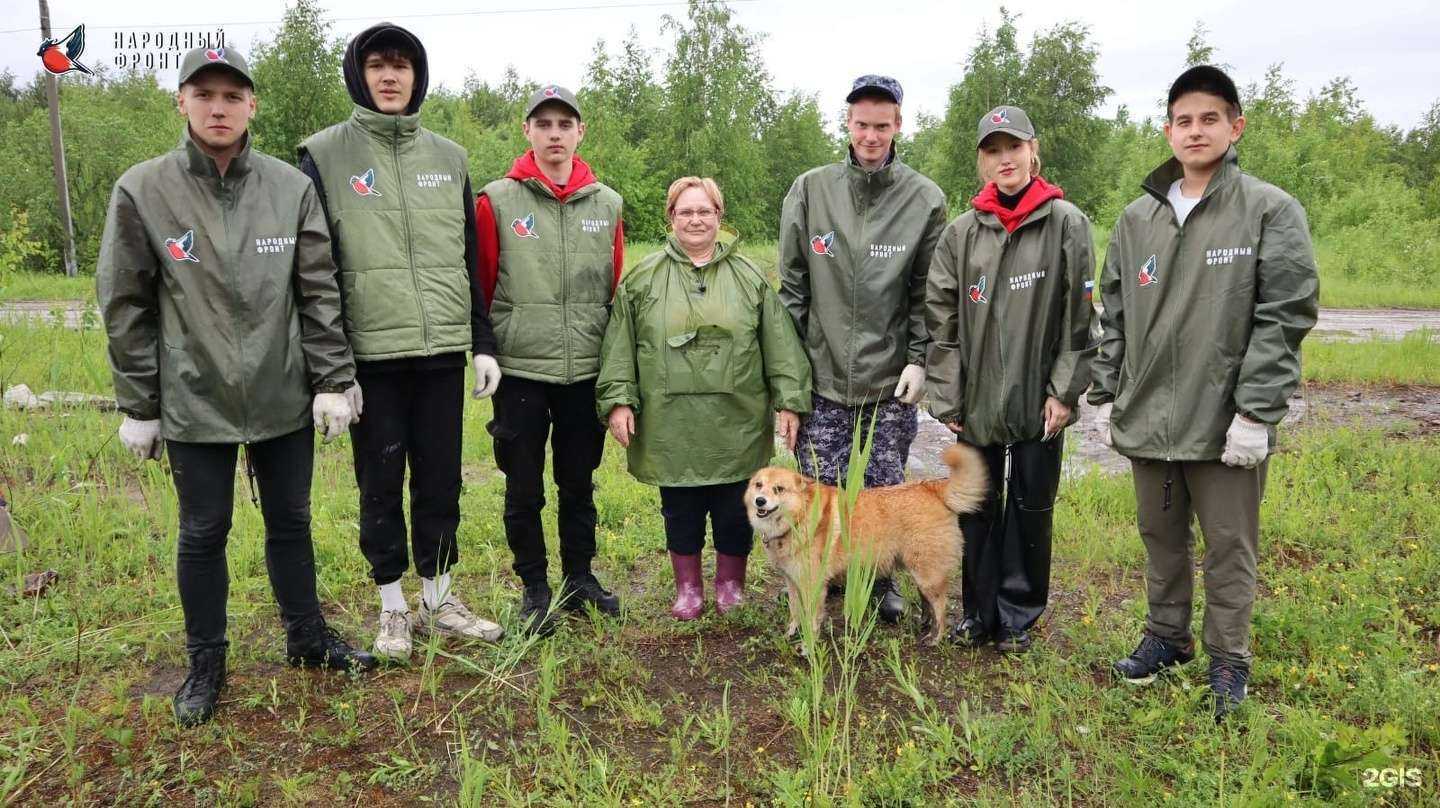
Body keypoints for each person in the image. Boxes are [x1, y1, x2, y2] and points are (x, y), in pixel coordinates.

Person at [97, 46, 377, 728]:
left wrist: (333, 380)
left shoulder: (289, 188)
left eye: (231, 95)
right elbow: (125, 301)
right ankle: (207, 661)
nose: (217, 107)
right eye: (204, 95)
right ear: (182, 102)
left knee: (291, 522)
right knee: (203, 530)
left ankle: (307, 638)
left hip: (282, 391)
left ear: (252, 105)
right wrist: (140, 404)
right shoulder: (144, 189)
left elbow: (317, 289)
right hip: (194, 396)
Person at [1090, 66, 1319, 720]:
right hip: (1151, 422)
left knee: (1228, 546)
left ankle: (1228, 659)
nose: (1195, 130)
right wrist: (1106, 391)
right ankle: (1167, 636)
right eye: (1184, 120)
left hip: (1224, 424)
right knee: (1159, 537)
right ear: (1168, 131)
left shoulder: (1268, 210)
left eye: (1209, 118)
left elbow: (1286, 315)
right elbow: (1116, 312)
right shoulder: (1139, 218)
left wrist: (1256, 413)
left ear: (1234, 126)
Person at [298, 23, 504, 662]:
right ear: (358, 73)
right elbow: (313, 271)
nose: (391, 76)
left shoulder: (450, 158)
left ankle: (440, 601)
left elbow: (467, 257)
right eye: (378, 65)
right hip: (372, 361)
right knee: (380, 484)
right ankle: (393, 610)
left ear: (418, 76)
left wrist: (482, 339)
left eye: (402, 66)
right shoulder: (324, 155)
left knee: (442, 483)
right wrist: (332, 373)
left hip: (441, 352)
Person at [925, 106, 1100, 654]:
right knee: (977, 509)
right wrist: (948, 393)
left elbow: (1081, 315)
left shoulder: (1066, 223)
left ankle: (1019, 616)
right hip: (975, 403)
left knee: (1031, 507)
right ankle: (978, 614)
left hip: (1036, 401)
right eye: (993, 150)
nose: (1005, 159)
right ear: (982, 160)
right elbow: (942, 316)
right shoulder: (961, 233)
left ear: (1032, 150)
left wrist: (1064, 391)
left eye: (1014, 147)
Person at [596, 177, 811, 620]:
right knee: (681, 508)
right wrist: (619, 400)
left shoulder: (750, 278)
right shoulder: (642, 278)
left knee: (737, 507)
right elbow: (619, 345)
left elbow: (780, 344)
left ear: (719, 217)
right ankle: (688, 589)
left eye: (705, 211)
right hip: (669, 419)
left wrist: (789, 400)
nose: (695, 220)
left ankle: (731, 586)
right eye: (685, 212)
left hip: (737, 418)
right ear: (671, 218)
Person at [778, 74, 947, 623]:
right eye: (861, 125)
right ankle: (820, 583)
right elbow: (793, 292)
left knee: (882, 498)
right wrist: (788, 383)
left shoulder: (924, 199)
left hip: (887, 383)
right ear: (846, 125)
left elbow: (928, 291)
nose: (871, 136)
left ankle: (879, 588)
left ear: (899, 125)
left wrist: (919, 360)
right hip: (822, 380)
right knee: (820, 498)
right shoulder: (811, 190)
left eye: (882, 125)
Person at [475, 85, 626, 634]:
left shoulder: (606, 204)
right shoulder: (497, 199)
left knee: (578, 482)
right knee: (523, 486)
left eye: (565, 123)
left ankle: (579, 578)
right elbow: (483, 283)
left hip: (583, 370)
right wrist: (486, 349)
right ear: (528, 132)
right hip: (520, 371)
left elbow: (612, 287)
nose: (555, 133)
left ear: (580, 132)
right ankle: (535, 587)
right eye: (545, 124)